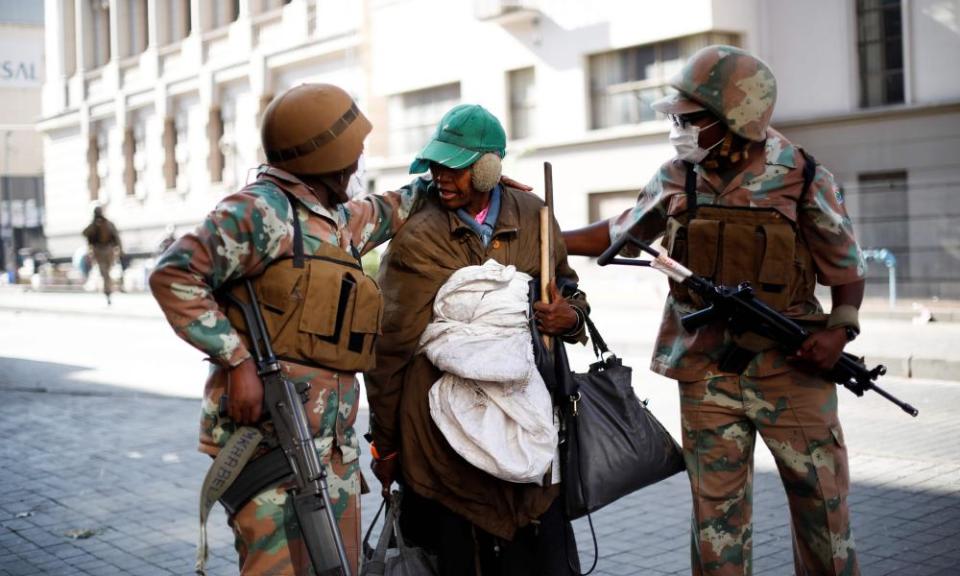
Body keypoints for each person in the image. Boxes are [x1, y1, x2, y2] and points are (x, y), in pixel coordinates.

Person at [562, 45, 865, 576]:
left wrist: (838, 333)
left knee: (824, 512)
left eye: (690, 119)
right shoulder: (680, 175)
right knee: (715, 525)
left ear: (736, 120)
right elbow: (620, 234)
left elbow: (846, 267)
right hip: (705, 374)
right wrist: (543, 235)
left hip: (791, 370)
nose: (678, 128)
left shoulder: (802, 175)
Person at [150, 83, 446, 575]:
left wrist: (467, 178)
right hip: (271, 444)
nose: (358, 164)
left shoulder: (330, 218)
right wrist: (236, 360)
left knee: (335, 567)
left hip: (329, 451)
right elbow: (173, 273)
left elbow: (391, 207)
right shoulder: (258, 212)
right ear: (325, 155)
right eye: (352, 154)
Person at [364, 103, 588, 575]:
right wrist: (384, 444)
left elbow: (569, 289)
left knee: (537, 554)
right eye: (436, 164)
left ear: (489, 167)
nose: (440, 176)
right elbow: (390, 350)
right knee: (462, 556)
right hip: (441, 435)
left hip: (525, 419)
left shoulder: (534, 215)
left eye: (456, 167)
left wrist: (568, 317)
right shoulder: (418, 236)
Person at [82, 206, 122, 304]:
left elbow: (116, 236)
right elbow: (85, 233)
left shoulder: (107, 224)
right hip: (98, 250)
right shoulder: (94, 225)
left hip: (108, 250)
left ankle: (108, 291)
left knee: (106, 272)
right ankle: (107, 291)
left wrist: (120, 249)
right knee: (105, 272)